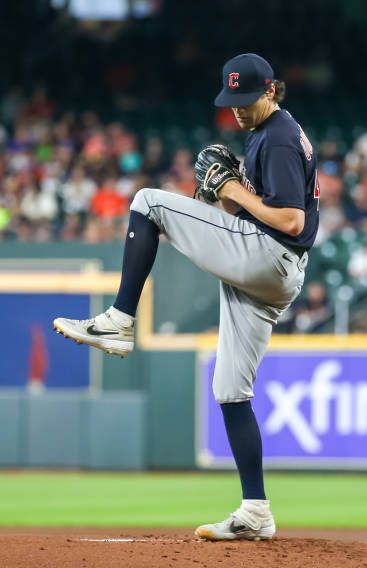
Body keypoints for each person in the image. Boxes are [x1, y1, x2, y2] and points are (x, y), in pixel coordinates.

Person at [54, 53, 320, 541]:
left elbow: (292, 221)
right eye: (231, 100)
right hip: (269, 271)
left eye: (246, 99)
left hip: (270, 256)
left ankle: (119, 318)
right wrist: (221, 197)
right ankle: (255, 510)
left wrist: (234, 192)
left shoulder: (279, 136)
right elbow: (250, 211)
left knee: (147, 202)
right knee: (230, 391)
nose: (237, 109)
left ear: (270, 91)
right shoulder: (266, 131)